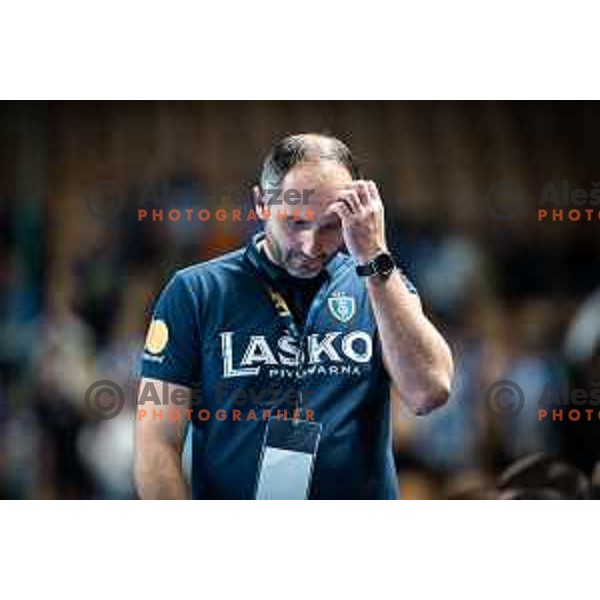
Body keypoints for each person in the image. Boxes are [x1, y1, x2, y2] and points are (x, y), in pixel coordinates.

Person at [135, 133, 454, 499]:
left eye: (332, 226)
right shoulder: (195, 292)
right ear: (261, 204)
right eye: (296, 222)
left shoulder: (379, 285)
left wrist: (375, 257)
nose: (311, 246)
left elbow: (429, 391)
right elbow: (156, 442)